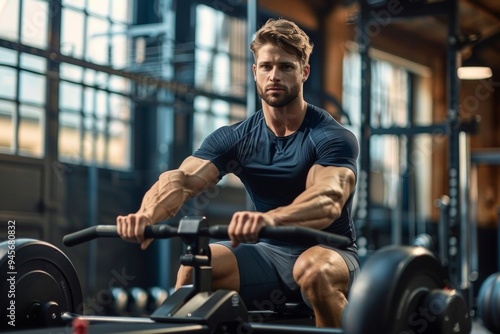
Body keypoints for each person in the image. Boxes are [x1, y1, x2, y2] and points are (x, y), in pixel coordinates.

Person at [116, 18, 359, 328]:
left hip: (329, 251)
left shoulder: (330, 136)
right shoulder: (236, 137)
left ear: (304, 72)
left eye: (285, 67)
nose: (275, 75)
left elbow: (327, 199)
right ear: (254, 71)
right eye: (267, 66)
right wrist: (146, 215)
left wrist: (271, 219)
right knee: (197, 266)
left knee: (315, 270)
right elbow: (181, 180)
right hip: (269, 254)